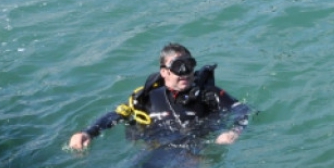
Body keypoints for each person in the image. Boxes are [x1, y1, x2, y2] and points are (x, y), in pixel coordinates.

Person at [68, 43, 249, 151]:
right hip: (156, 149)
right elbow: (116, 116)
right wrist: (87, 133)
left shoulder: (209, 94)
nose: (186, 72)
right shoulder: (147, 97)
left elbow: (243, 110)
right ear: (164, 72)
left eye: (189, 65)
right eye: (178, 67)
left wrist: (234, 131)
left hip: (195, 149)